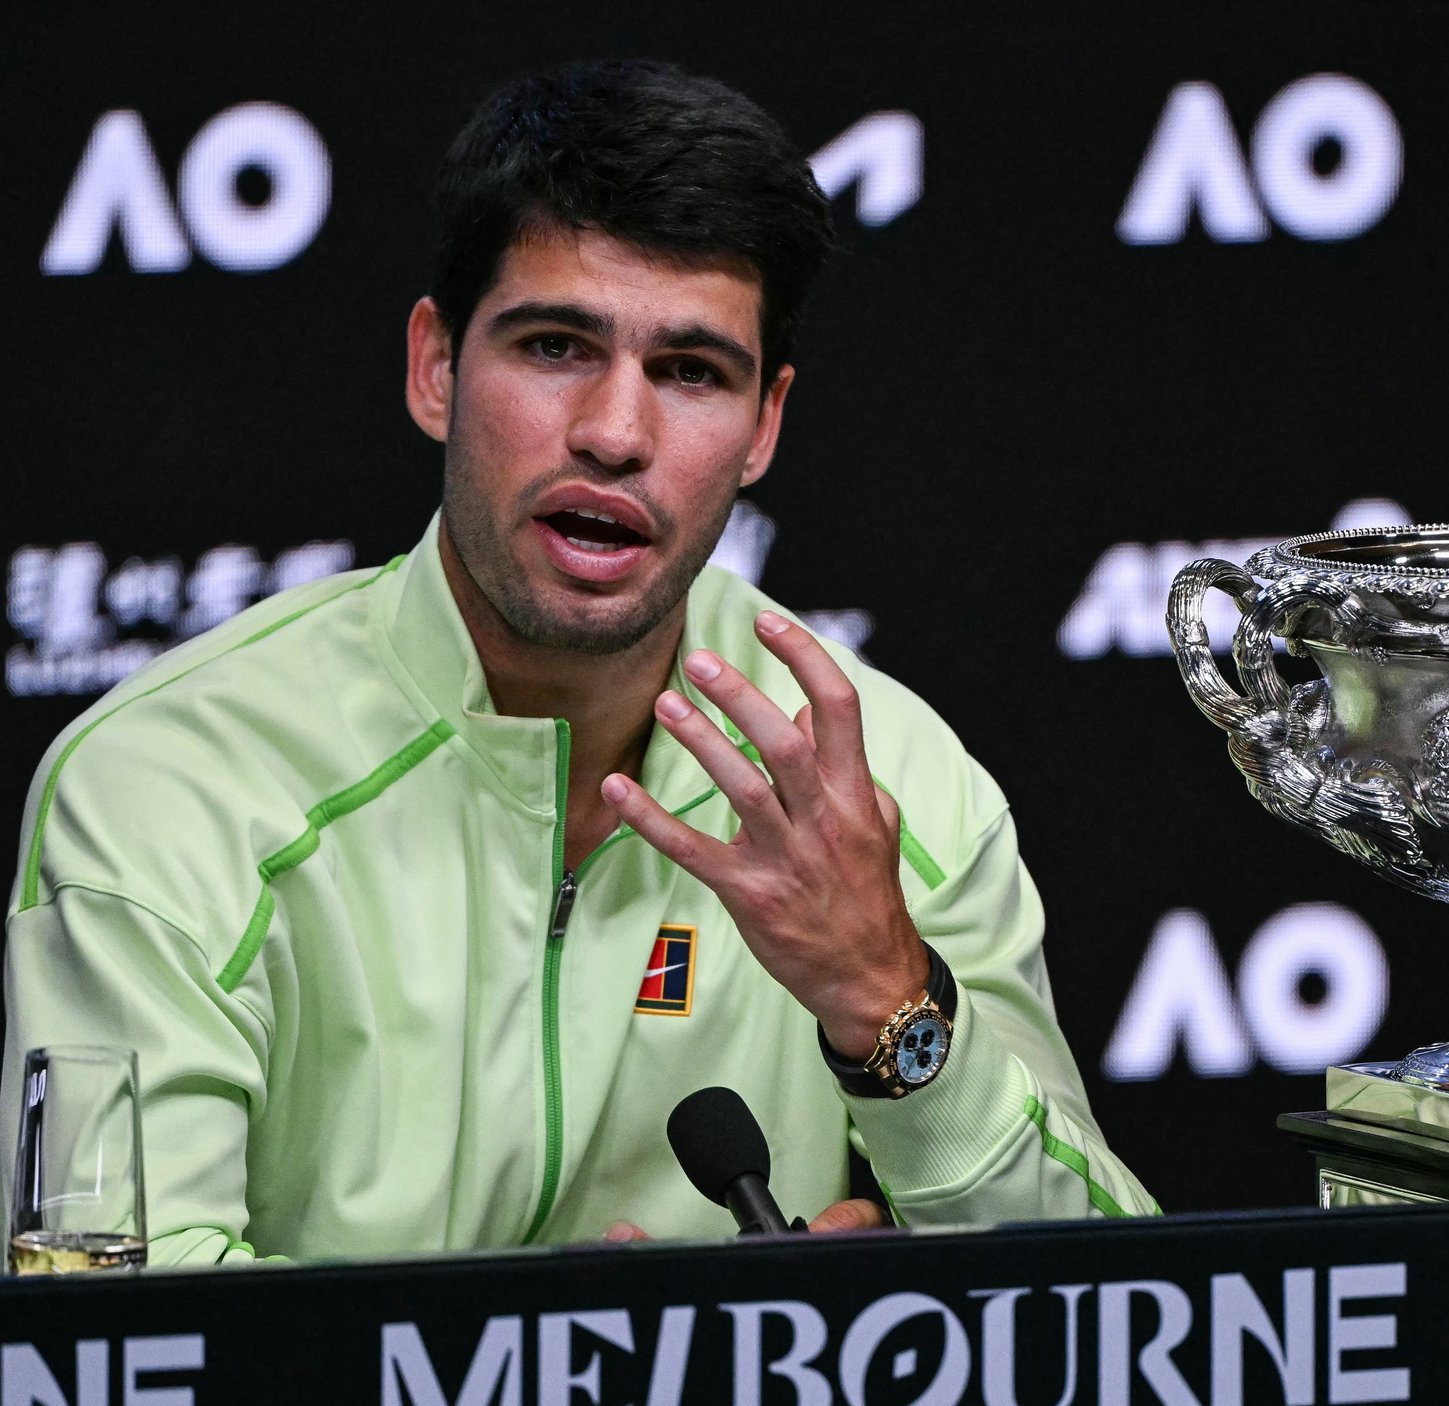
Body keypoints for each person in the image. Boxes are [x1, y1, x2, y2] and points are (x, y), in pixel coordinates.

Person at [1, 59, 1154, 1265]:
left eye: (692, 372)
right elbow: (114, 1343)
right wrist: (568, 1368)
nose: (615, 432)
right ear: (435, 368)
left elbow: (1115, 1317)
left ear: (763, 426)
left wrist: (887, 1006)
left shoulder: (886, 782)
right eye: (556, 346)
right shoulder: (170, 783)